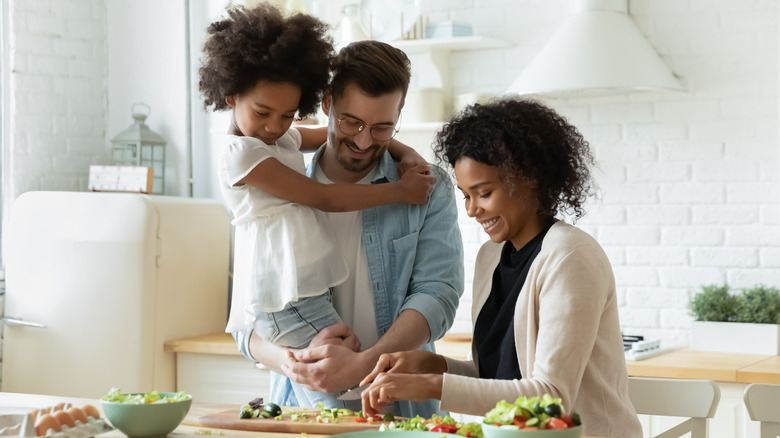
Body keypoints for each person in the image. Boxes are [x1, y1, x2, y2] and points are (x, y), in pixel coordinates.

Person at [357, 98, 643, 437]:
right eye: (466, 195)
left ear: (530, 179)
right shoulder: (491, 258)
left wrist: (434, 386)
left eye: (484, 193)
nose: (472, 210)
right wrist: (431, 366)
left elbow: (550, 397)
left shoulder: (570, 256)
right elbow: (498, 377)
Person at [198, 4, 437, 409]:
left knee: (339, 386)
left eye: (288, 114)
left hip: (303, 291)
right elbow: (323, 197)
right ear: (230, 94)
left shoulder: (278, 138)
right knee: (335, 393)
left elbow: (329, 135)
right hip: (283, 293)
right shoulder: (240, 154)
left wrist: (404, 149)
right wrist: (399, 192)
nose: (276, 125)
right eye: (263, 113)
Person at [232, 40, 464, 418]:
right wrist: (292, 362)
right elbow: (246, 319)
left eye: (382, 127)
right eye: (350, 122)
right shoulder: (269, 188)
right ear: (327, 104)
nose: (362, 140)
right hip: (299, 410)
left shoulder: (426, 188)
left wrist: (365, 364)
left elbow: (438, 295)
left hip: (404, 410)